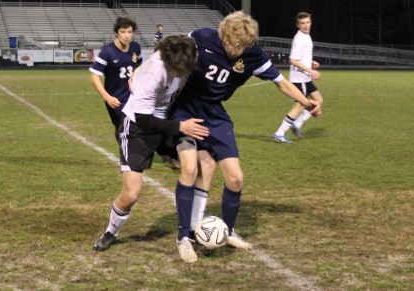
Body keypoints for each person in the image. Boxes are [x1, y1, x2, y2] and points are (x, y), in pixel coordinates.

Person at [172, 11, 321, 263]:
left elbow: (281, 83)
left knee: (235, 177)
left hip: (216, 115)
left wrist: (306, 102)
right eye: (231, 44)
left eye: (241, 46)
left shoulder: (254, 55)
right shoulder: (201, 37)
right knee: (190, 169)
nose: (234, 51)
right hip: (184, 109)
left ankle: (228, 232)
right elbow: (167, 52)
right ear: (223, 35)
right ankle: (183, 237)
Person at [93, 35, 210, 252]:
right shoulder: (154, 72)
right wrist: (181, 127)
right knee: (131, 194)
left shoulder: (187, 50)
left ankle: (191, 229)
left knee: (203, 164)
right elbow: (144, 119)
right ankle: (111, 232)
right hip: (139, 127)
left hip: (170, 119)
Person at [273, 12, 324, 143]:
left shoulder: (307, 36)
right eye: (302, 23)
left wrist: (311, 63)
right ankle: (280, 133)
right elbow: (293, 60)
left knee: (318, 100)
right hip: (299, 79)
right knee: (298, 107)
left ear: (311, 22)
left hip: (305, 78)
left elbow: (302, 57)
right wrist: (311, 71)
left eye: (307, 22)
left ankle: (297, 124)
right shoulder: (299, 38)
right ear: (298, 25)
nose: (306, 25)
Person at [89, 16, 142, 143]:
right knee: (121, 128)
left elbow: (139, 65)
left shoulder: (135, 47)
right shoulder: (107, 52)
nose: (126, 35)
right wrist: (107, 97)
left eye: (129, 32)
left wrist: (136, 72)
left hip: (134, 96)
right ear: (116, 33)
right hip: (116, 99)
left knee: (135, 129)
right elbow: (94, 76)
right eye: (123, 32)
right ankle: (126, 155)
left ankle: (130, 156)